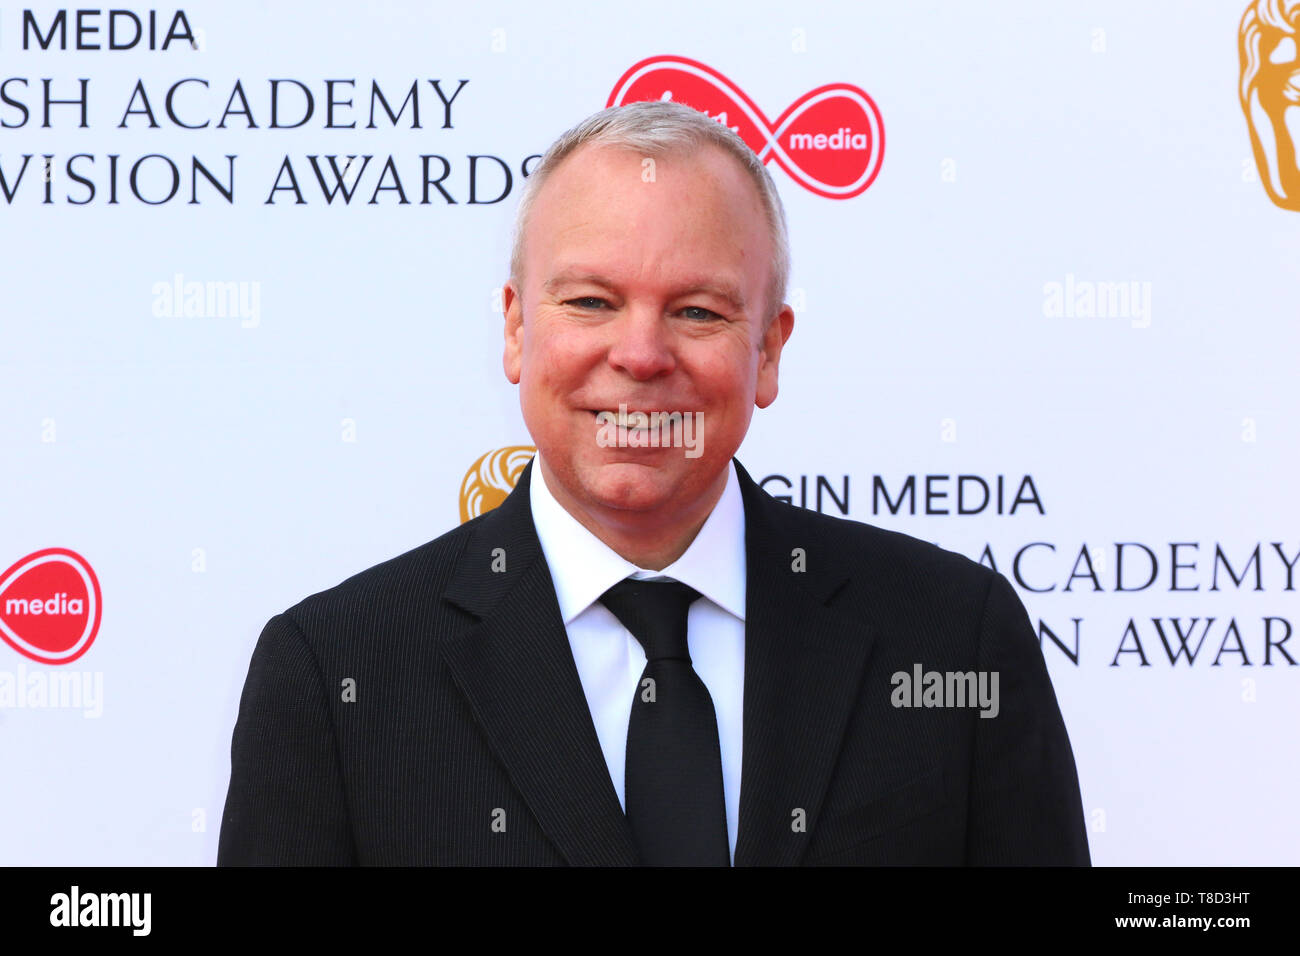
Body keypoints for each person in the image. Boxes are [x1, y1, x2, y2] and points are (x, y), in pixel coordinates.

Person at [217, 99, 1090, 866]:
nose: (639, 355)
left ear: (770, 350)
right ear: (517, 329)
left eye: (697, 311)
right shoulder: (334, 676)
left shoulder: (950, 638)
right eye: (591, 302)